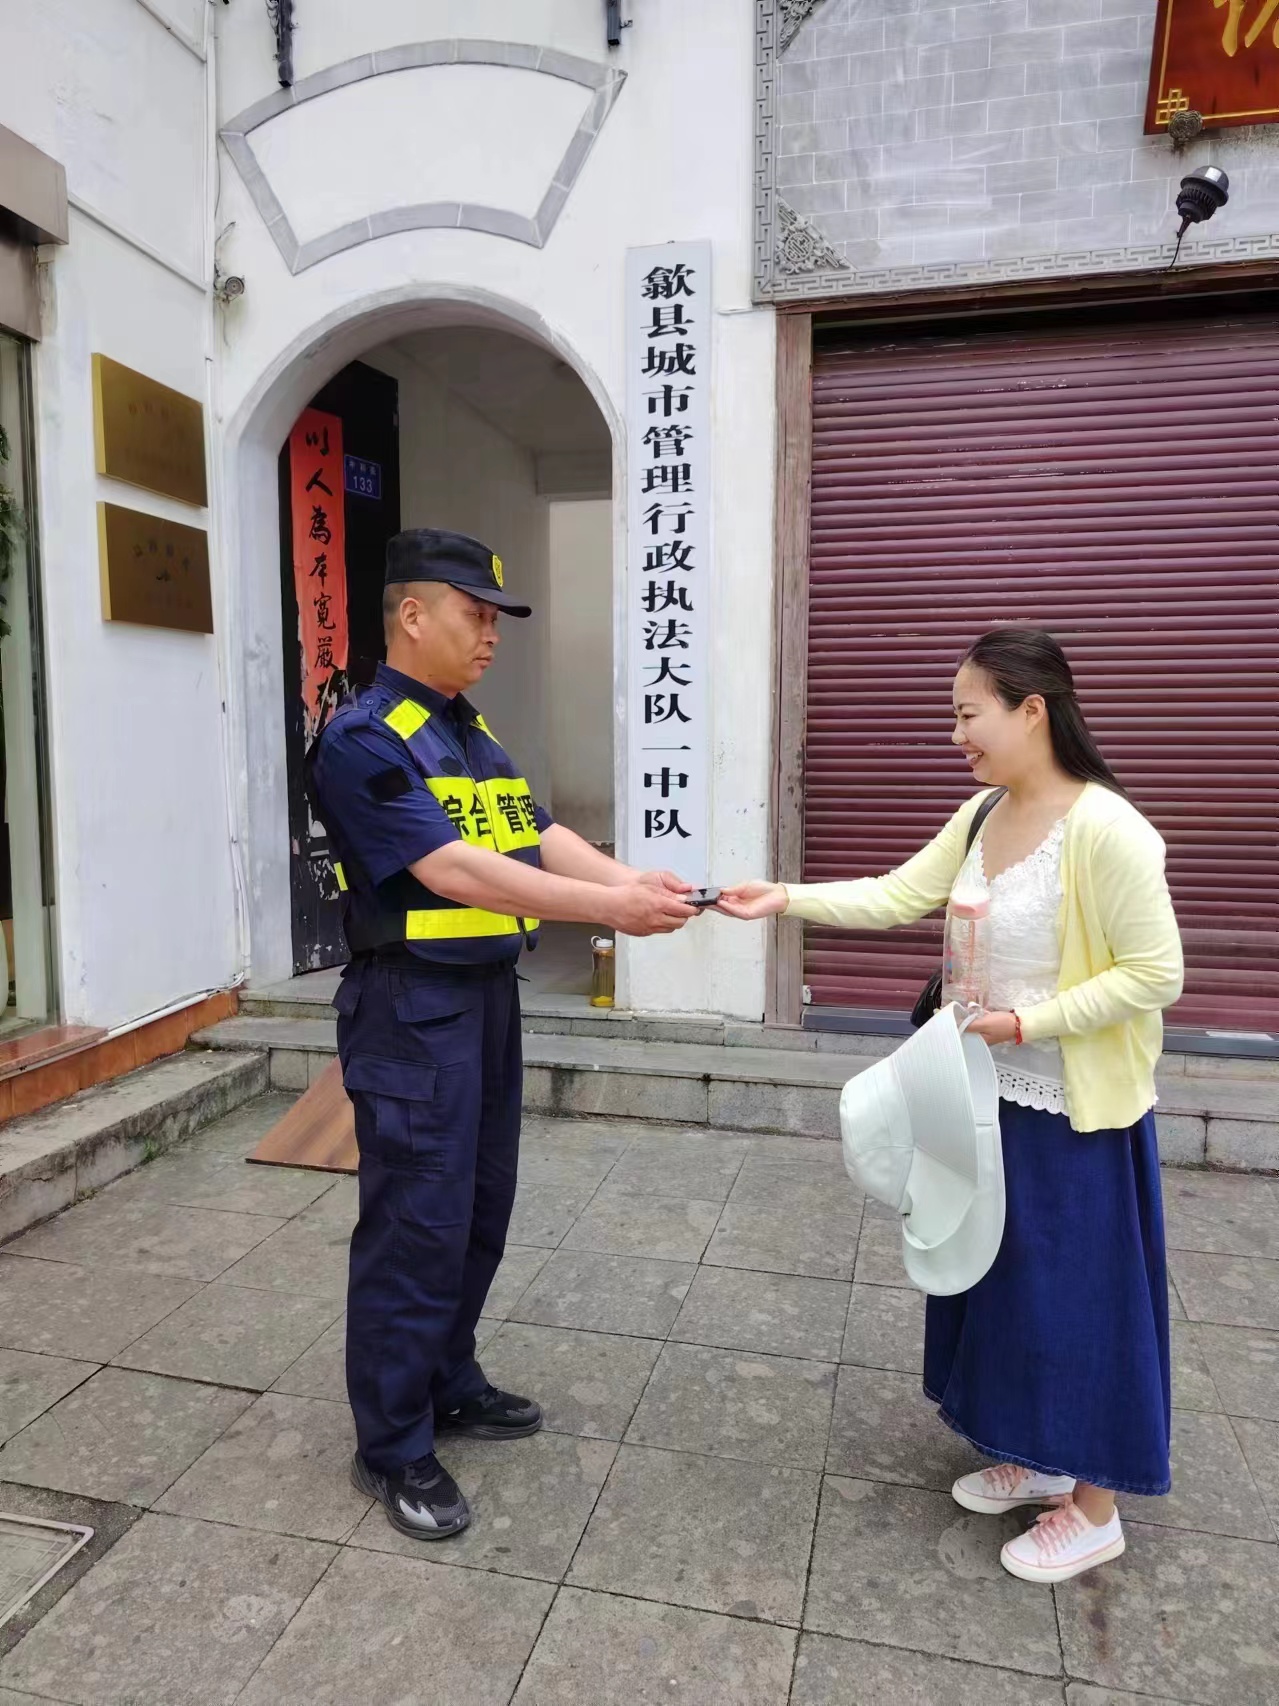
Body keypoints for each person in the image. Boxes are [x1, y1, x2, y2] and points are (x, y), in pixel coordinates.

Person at [718, 628, 1183, 1585]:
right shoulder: (982, 814)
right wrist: (782, 898)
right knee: (1005, 1288)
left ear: (1031, 711)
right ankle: (1039, 1452)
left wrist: (1027, 1023)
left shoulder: (1109, 830)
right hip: (988, 1096)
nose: (956, 734)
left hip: (1074, 1112)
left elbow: (1154, 973)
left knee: (1083, 1303)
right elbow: (897, 895)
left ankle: (1096, 1509)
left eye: (968, 714)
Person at [309, 527, 696, 1541]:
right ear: (411, 614)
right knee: (415, 1224)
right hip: (409, 1008)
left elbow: (533, 831)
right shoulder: (362, 738)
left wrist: (634, 880)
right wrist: (606, 911)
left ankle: (448, 1377)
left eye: (495, 618)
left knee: (479, 1207)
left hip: (484, 1000)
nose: (490, 633)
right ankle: (391, 1440)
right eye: (474, 613)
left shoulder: (465, 730)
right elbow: (449, 868)